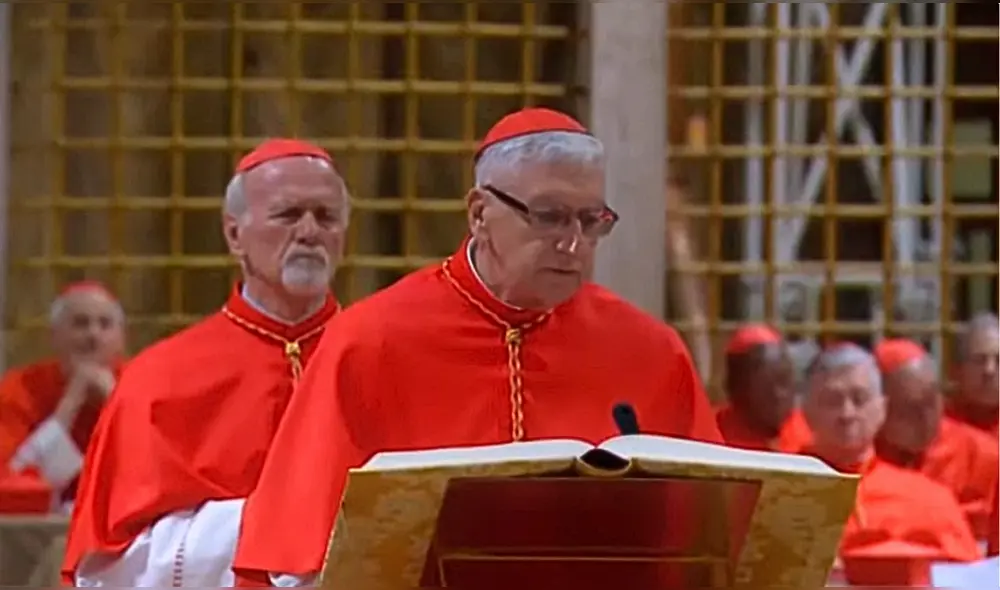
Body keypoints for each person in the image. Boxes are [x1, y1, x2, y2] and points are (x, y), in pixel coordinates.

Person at [232, 107, 723, 586]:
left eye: (591, 221)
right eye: (550, 217)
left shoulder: (647, 351)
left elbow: (715, 535)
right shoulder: (371, 342)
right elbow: (294, 555)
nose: (574, 244)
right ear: (480, 212)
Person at [61, 138, 350, 587]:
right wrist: (283, 525)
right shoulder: (159, 379)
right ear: (235, 235)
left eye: (326, 216)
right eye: (288, 215)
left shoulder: (379, 358)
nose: (310, 231)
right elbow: (109, 566)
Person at [785, 343, 980, 586]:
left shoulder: (930, 498)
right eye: (832, 400)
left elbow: (969, 580)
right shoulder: (779, 492)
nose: (847, 413)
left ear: (882, 408)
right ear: (805, 410)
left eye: (860, 398)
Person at [0, 282, 125, 508]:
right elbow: (12, 481)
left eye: (105, 325)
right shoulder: (19, 388)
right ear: (55, 336)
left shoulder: (139, 384)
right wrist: (69, 406)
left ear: (121, 339)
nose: (93, 335)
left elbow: (154, 471)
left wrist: (116, 403)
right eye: (80, 323)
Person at [873, 338, 999, 540]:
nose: (925, 419)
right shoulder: (855, 455)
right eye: (909, 408)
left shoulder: (983, 455)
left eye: (931, 403)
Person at [714, 324, 795, 450]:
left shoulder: (810, 434)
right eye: (767, 387)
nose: (778, 395)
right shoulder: (711, 436)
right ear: (735, 387)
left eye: (784, 383)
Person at [947, 313, 999, 438]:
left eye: (998, 360)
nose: (989, 370)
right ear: (957, 370)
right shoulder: (935, 429)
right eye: (979, 360)